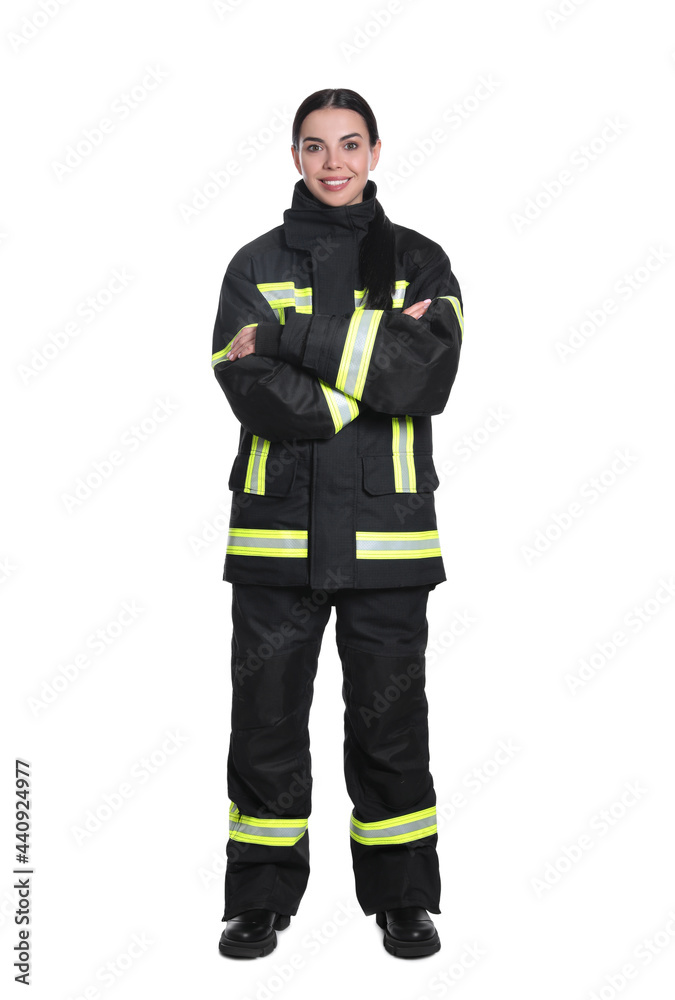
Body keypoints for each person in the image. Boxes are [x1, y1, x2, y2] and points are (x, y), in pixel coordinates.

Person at [211, 88, 464, 960]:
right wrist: (361, 366)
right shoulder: (252, 263)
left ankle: (403, 898)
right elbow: (242, 382)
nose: (333, 163)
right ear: (293, 157)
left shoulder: (420, 264)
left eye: (349, 145)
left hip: (388, 540)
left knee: (390, 726)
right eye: (315, 146)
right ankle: (257, 898)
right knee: (265, 721)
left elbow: (423, 379)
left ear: (376, 151)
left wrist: (286, 339)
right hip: (275, 538)